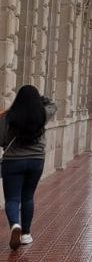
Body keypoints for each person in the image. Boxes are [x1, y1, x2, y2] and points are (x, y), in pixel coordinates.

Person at [0, 85, 55, 250]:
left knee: (12, 198)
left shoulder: (8, 117)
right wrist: (40, 99)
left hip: (12, 161)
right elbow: (53, 104)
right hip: (36, 160)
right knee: (28, 197)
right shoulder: (42, 114)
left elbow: (1, 140)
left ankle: (15, 225)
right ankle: (26, 234)